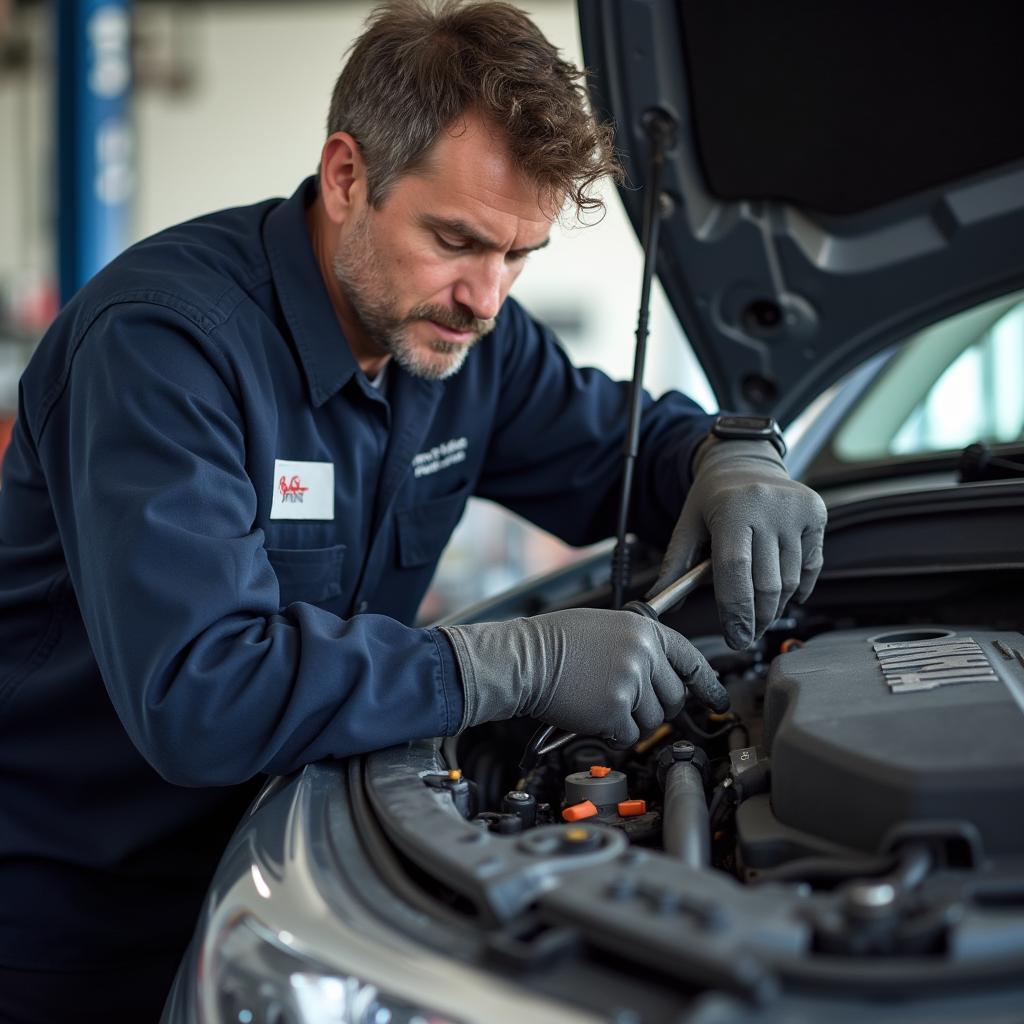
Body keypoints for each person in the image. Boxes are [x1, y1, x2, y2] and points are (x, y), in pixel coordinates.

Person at [0, 1, 826, 1019]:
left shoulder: (461, 341)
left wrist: (730, 455)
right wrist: (511, 661)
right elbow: (199, 693)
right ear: (347, 176)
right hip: (73, 929)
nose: (486, 297)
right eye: (456, 239)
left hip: (298, 872)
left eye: (517, 255)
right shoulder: (167, 348)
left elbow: (627, 451)